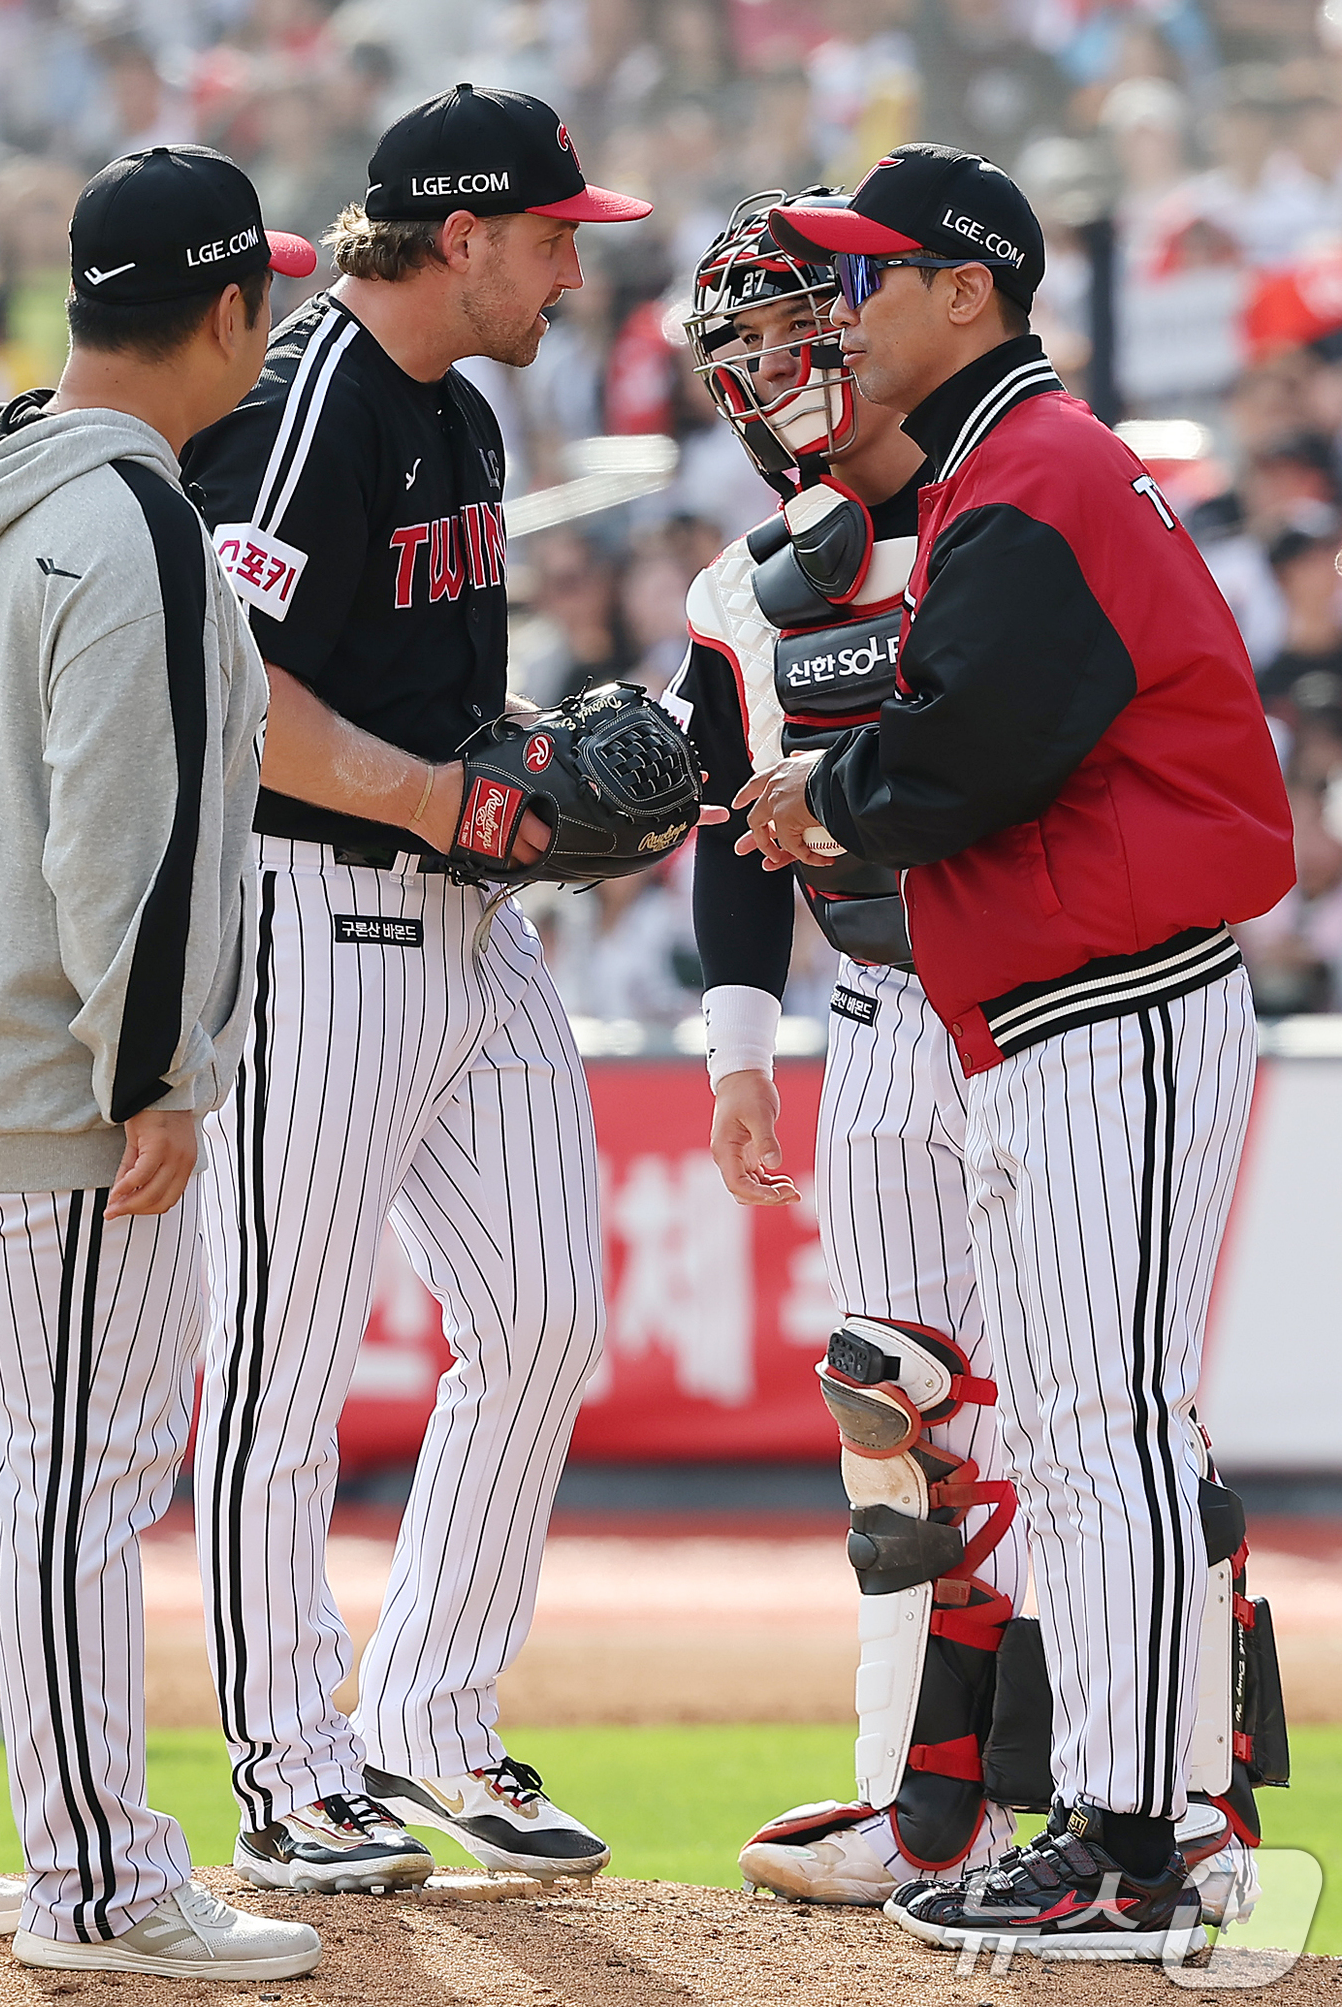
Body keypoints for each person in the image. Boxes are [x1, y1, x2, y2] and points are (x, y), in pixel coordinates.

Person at [668, 187, 1263, 1930]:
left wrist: (821, 803)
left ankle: (1164, 1826)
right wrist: (745, 1007)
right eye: (788, 313)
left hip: (1088, 986)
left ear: (961, 290)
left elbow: (972, 751)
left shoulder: (1027, 475)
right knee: (967, 1412)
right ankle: (978, 1801)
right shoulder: (866, 522)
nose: (816, 338)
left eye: (851, 291)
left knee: (1106, 1426)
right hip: (958, 997)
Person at [183, 83, 652, 1892]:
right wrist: (446, 790)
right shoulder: (308, 401)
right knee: (284, 1360)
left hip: (471, 924)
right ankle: (287, 1766)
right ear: (459, 236)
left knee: (543, 1319)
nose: (572, 271)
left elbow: (418, 696)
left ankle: (429, 1725)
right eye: (554, 238)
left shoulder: (462, 413)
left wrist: (533, 772)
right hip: (314, 912)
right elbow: (229, 691)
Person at [0, 146, 323, 1979]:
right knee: (77, 1475)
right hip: (53, 1080)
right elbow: (134, 834)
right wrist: (152, 1069)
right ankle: (98, 1883)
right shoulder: (135, 518)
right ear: (231, 310)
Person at [666, 188, 1028, 1902]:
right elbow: (727, 827)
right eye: (735, 340)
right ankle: (910, 1797)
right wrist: (740, 1049)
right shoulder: (741, 591)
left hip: (1041, 999)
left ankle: (1134, 1790)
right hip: (877, 1013)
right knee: (885, 1412)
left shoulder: (993, 515)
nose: (773, 367)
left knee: (1072, 1419)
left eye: (797, 321)